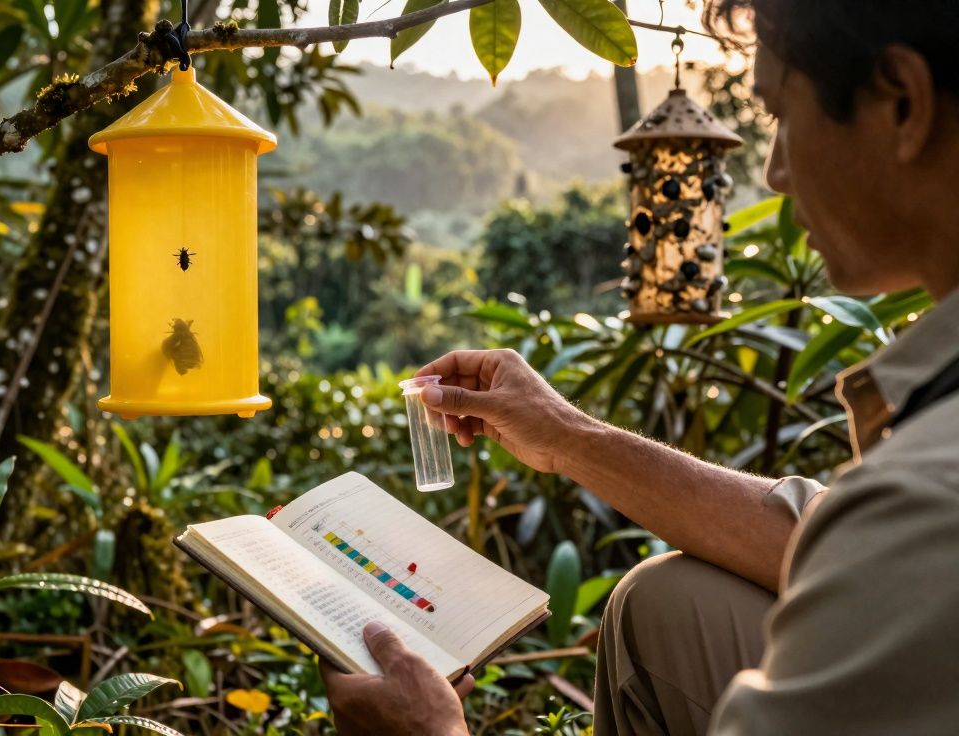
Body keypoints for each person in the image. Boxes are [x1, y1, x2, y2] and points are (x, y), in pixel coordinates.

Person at [320, 0, 959, 733]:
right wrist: (565, 436)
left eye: (783, 113)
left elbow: (886, 537)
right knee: (664, 604)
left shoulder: (929, 497)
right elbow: (814, 534)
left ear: (902, 104)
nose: (778, 173)